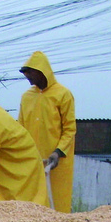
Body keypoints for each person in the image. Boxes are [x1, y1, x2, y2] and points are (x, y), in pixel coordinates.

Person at [18, 51, 75, 213]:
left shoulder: (63, 95)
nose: (27, 76)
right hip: (31, 162)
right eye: (25, 73)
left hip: (55, 164)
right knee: (30, 207)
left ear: (41, 71)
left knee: (55, 206)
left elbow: (70, 129)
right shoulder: (26, 97)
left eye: (29, 72)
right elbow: (20, 129)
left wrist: (58, 152)